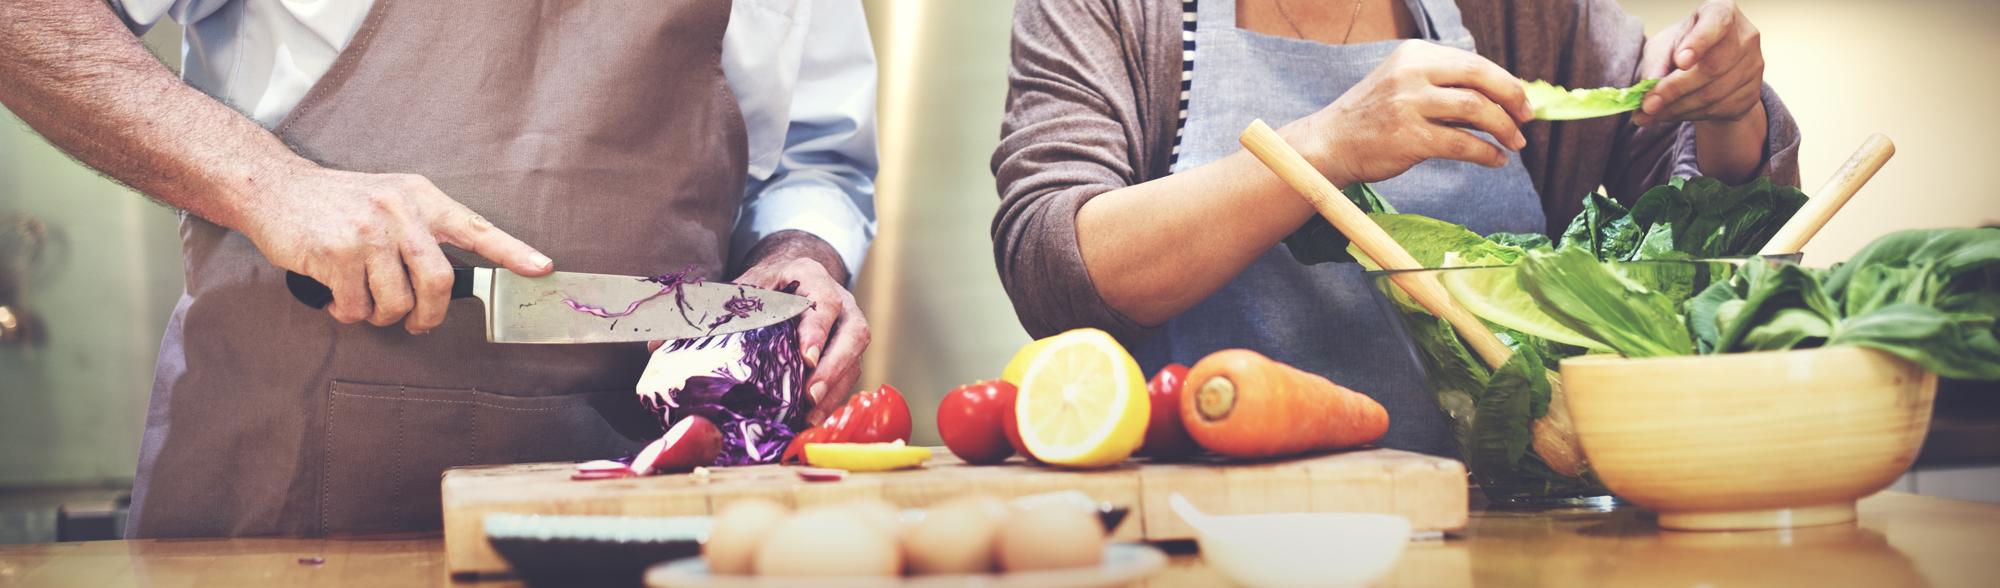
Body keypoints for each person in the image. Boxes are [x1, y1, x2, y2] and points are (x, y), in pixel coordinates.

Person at [0, 0, 878, 537]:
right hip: (290, 508)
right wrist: (269, 182)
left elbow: (817, 156)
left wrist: (800, 249)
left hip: (656, 511)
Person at [991, 0, 1799, 455]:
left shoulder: (1525, 13)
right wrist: (1326, 145)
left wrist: (1727, 108)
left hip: (1508, 530)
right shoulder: (1107, 13)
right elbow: (1054, 264)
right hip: (1201, 531)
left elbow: (1705, 251)